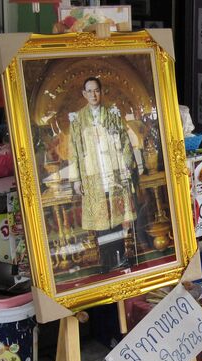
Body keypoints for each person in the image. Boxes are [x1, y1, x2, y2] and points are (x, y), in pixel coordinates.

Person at [67, 77, 138, 273]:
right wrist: (76, 179)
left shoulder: (112, 114)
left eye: (96, 90)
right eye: (89, 91)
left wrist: (126, 168)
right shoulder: (78, 120)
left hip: (113, 174)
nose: (93, 95)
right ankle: (107, 262)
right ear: (84, 94)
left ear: (101, 91)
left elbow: (124, 142)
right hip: (93, 177)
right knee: (101, 222)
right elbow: (73, 150)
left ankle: (121, 257)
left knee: (116, 218)